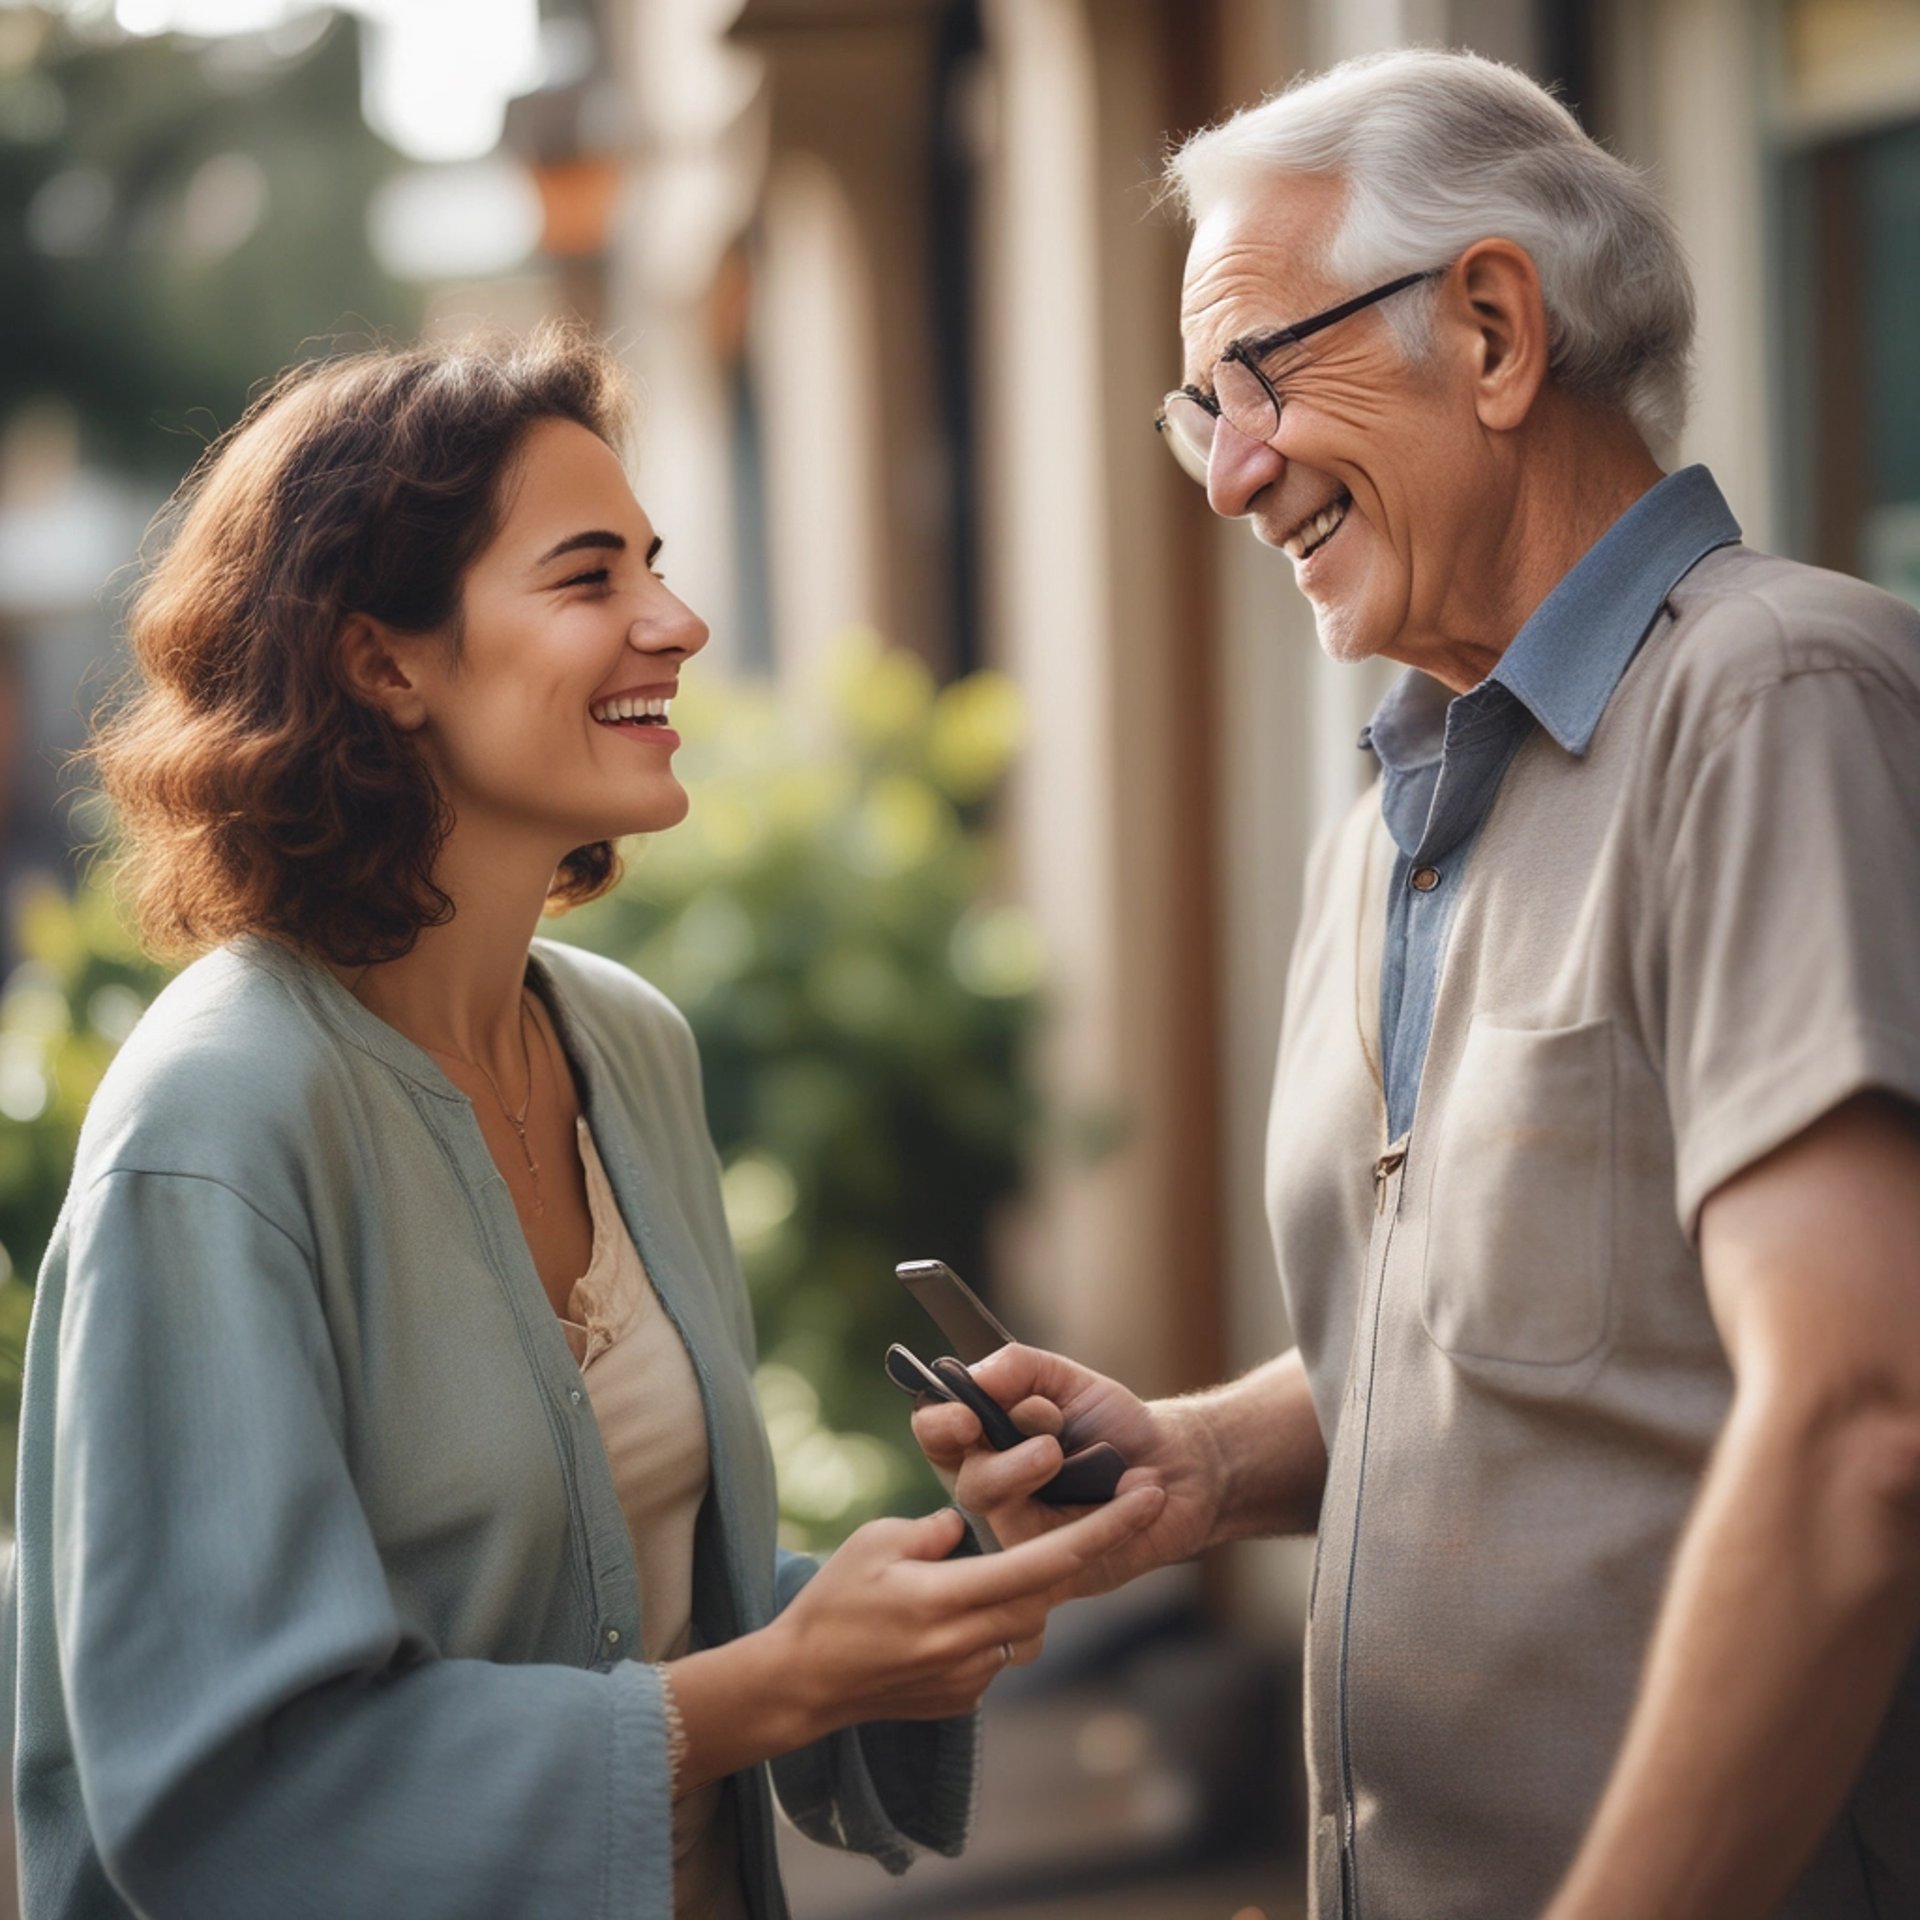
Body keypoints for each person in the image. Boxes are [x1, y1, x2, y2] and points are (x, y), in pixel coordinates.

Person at [916, 47, 1920, 1920]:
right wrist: (1203, 1461)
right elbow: (1555, 1334)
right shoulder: (1392, 815)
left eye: (1262, 380)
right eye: (1193, 412)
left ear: (1491, 329)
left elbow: (1862, 1420)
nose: (1228, 475)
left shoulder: (1777, 705)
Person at [8, 325, 1164, 1920]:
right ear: (380, 659)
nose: (677, 623)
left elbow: (629, 1615)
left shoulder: (630, 1049)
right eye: (587, 576)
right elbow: (224, 1800)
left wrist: (943, 1591)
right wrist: (775, 1691)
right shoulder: (217, 1128)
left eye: (659, 567)